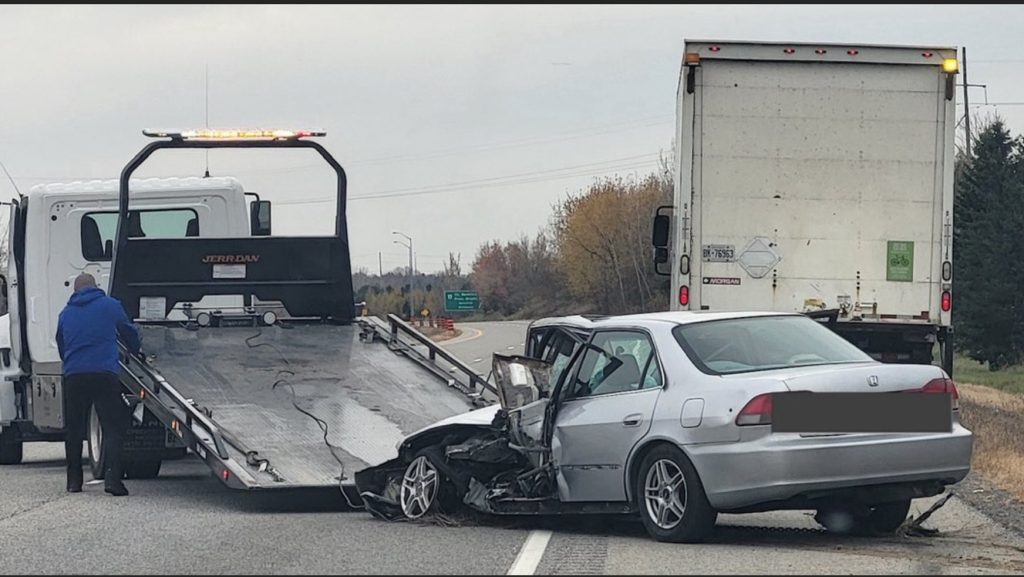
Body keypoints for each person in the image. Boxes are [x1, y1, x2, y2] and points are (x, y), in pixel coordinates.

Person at [56, 273, 142, 496]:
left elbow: (61, 345)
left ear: (75, 291)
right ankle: (113, 481)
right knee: (113, 427)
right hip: (104, 374)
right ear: (95, 286)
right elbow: (127, 331)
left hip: (74, 376)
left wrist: (73, 363)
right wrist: (135, 349)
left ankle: (74, 481)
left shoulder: (65, 314)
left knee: (74, 429)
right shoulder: (110, 306)